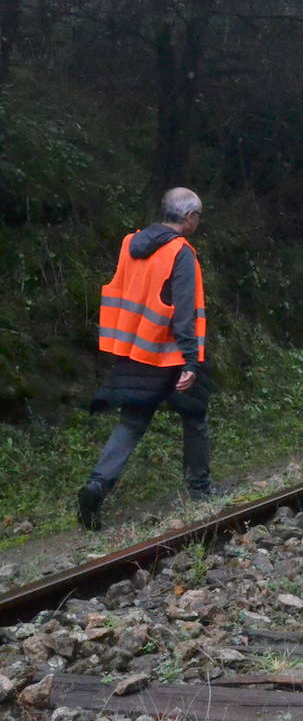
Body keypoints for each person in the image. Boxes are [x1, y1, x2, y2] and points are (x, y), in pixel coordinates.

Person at [78, 187, 219, 530]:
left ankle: (97, 484)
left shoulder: (131, 243)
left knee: (131, 422)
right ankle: (201, 491)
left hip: (135, 351)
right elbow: (183, 311)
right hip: (170, 353)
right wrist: (190, 361)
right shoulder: (180, 252)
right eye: (197, 217)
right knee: (194, 415)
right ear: (189, 218)